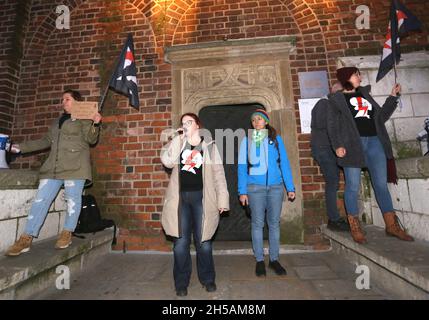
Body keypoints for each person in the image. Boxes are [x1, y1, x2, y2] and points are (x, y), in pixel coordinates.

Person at [5, 89, 102, 256]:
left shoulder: (84, 118)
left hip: (75, 167)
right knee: (40, 200)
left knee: (73, 200)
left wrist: (95, 123)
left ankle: (67, 232)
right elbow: (44, 141)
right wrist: (18, 148)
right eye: (62, 99)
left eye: (67, 99)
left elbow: (91, 139)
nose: (63, 102)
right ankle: (26, 237)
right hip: (52, 168)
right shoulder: (57, 122)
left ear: (77, 102)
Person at [327, 66, 414, 244]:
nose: (360, 77)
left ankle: (392, 226)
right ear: (346, 78)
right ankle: (355, 227)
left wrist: (392, 97)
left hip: (375, 142)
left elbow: (380, 117)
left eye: (359, 74)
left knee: (381, 184)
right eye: (356, 74)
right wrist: (338, 146)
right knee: (352, 186)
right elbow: (333, 125)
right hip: (352, 145)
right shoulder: (336, 100)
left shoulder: (365, 95)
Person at [160, 113, 229, 297]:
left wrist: (222, 200)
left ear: (198, 125)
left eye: (189, 122)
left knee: (204, 242)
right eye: (183, 123)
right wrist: (178, 139)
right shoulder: (177, 144)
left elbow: (219, 175)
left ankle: (208, 279)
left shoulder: (209, 146)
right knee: (180, 244)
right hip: (180, 200)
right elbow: (167, 161)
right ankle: (181, 282)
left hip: (203, 199)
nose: (186, 125)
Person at [238, 109, 296, 277]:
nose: (257, 122)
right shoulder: (248, 141)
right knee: (257, 224)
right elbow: (242, 167)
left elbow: (284, 162)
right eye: (254, 120)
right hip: (254, 188)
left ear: (266, 122)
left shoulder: (275, 139)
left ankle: (274, 259)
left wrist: (290, 187)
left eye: (260, 119)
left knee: (274, 224)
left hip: (276, 188)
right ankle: (259, 260)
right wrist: (242, 191)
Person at [311, 82, 350, 232]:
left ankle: (335, 218)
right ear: (334, 92)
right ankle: (333, 219)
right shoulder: (324, 103)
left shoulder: (331, 105)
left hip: (329, 148)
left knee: (334, 181)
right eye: (341, 93)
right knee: (332, 181)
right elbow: (323, 124)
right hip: (324, 148)